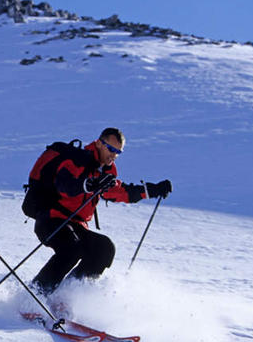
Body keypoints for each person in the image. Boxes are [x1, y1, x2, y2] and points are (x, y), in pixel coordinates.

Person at [28, 127, 172, 299]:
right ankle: (35, 296)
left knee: (104, 248)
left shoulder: (106, 171)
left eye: (118, 152)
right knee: (71, 249)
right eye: (110, 149)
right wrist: (89, 184)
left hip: (77, 225)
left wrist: (151, 190)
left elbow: (120, 192)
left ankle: (65, 299)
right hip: (52, 218)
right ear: (98, 143)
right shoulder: (77, 159)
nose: (113, 155)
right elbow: (65, 184)